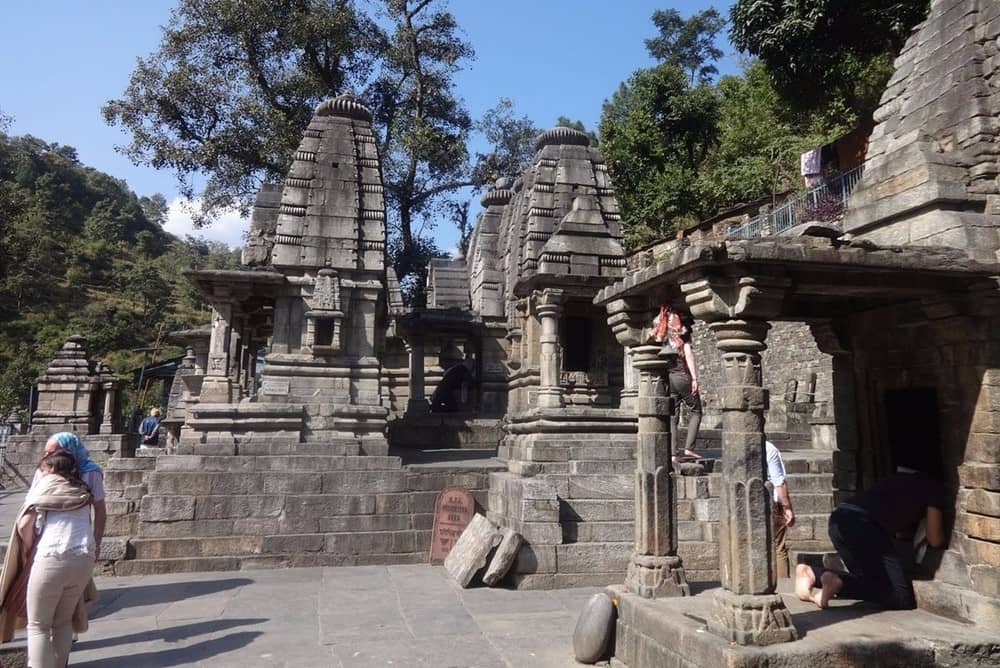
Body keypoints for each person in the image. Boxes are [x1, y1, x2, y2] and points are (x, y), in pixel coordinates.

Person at [794, 466, 947, 610]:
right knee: (901, 596)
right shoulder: (933, 489)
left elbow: (900, 531)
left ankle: (814, 574)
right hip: (863, 525)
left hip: (838, 518)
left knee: (868, 579)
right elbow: (935, 539)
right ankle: (838, 583)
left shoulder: (897, 480)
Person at [3, 450, 97, 668]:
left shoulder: (45, 486)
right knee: (63, 622)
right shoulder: (81, 489)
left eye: (42, 470)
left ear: (52, 469)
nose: (41, 475)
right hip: (83, 557)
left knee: (38, 625)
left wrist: (28, 549)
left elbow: (25, 524)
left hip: (51, 556)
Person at [32, 433, 106, 561]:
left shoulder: (90, 472)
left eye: (51, 452)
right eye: (45, 452)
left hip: (79, 537)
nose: (46, 457)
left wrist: (97, 542)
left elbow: (100, 509)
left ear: (68, 452)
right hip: (46, 538)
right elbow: (32, 504)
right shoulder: (44, 471)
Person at [656, 307, 702, 459]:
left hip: (670, 379)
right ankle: (689, 448)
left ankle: (673, 453)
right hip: (683, 376)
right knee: (696, 411)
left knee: (673, 416)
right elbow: (688, 357)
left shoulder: (663, 338)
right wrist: (694, 379)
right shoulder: (682, 338)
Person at [766, 440, 796, 579]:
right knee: (778, 548)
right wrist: (787, 507)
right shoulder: (769, 448)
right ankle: (783, 587)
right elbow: (779, 482)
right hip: (771, 504)